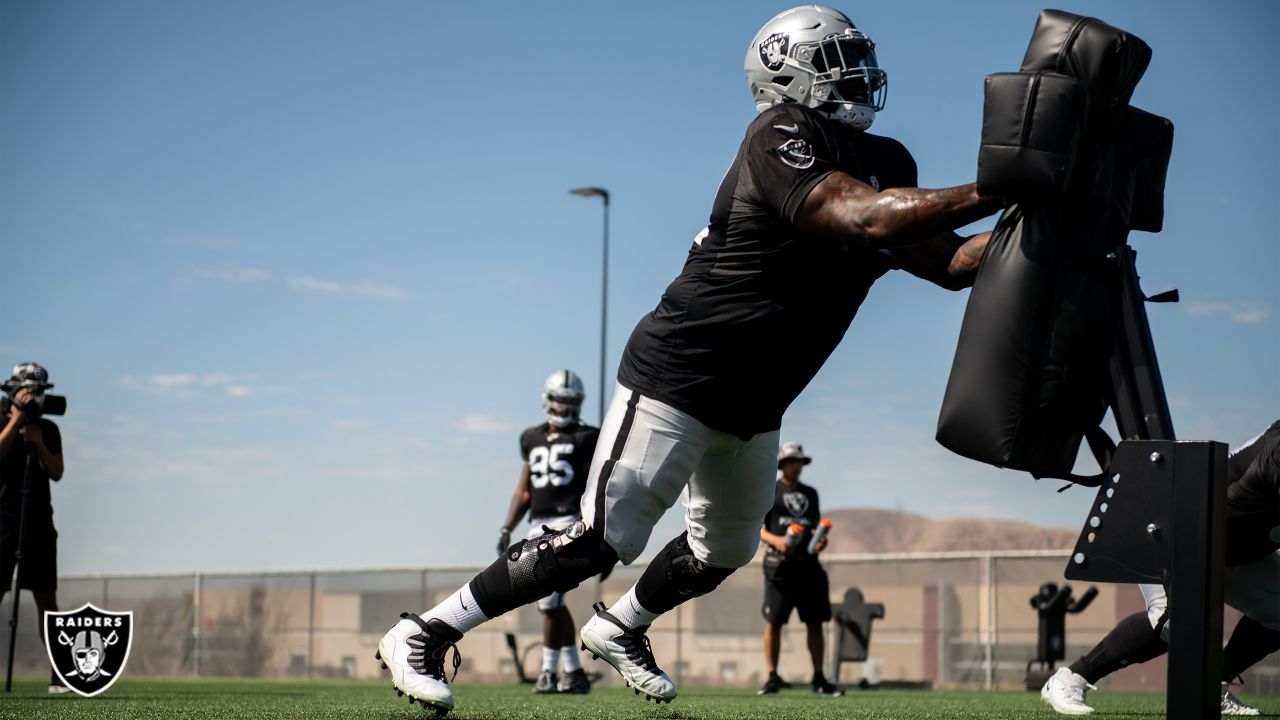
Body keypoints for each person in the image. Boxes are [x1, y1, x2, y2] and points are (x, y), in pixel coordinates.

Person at [375, 6, 1002, 714]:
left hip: (756, 402)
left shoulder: (886, 163)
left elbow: (948, 261)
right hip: (682, 374)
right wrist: (1004, 184)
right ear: (788, 72)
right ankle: (425, 632)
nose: (856, 70)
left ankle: (621, 625)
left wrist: (1036, 222)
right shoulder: (779, 133)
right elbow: (866, 218)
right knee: (603, 539)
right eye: (837, 58)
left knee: (723, 550)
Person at [1041, 419, 1280, 716]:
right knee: (1173, 619)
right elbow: (1216, 519)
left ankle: (1213, 685)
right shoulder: (1277, 451)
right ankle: (1071, 678)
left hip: (1235, 543)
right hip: (1175, 526)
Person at [497, 370, 599, 694]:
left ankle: (548, 672)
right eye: (561, 400)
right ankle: (573, 672)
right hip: (536, 525)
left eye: (572, 401)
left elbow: (598, 485)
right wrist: (506, 526)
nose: (566, 407)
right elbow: (524, 491)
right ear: (548, 400)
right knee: (550, 602)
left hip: (569, 522)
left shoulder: (587, 438)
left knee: (550, 600)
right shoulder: (531, 438)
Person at [0, 363, 67, 694]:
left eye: (37, 392)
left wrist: (39, 443)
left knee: (46, 601)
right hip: (4, 518)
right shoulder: (2, 420)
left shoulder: (48, 429)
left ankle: (59, 675)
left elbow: (57, 472)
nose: (32, 399)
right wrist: (14, 421)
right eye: (26, 391)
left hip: (40, 521)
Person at [758, 442, 839, 696]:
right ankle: (773, 677)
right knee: (774, 622)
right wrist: (777, 541)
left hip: (809, 568)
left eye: (800, 461)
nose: (797, 465)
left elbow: (815, 527)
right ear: (782, 463)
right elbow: (757, 529)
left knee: (815, 622)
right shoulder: (768, 491)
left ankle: (818, 678)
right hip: (779, 568)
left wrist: (820, 541)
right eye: (792, 460)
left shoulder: (811, 494)